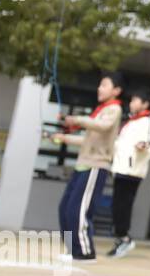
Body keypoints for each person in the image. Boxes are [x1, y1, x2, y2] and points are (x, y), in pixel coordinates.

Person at [51, 72, 125, 262]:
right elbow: (87, 139)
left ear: (116, 91)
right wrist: (64, 137)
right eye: (100, 85)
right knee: (65, 208)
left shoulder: (114, 109)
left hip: (95, 166)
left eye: (104, 85)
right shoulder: (100, 110)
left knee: (79, 210)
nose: (99, 88)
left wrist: (76, 119)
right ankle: (74, 249)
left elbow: (101, 126)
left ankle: (85, 252)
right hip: (83, 165)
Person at [106, 88, 150, 258]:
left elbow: (149, 142)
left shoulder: (148, 122)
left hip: (132, 171)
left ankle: (125, 238)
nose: (131, 103)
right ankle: (120, 238)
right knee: (117, 206)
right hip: (120, 169)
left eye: (135, 100)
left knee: (123, 206)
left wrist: (143, 146)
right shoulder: (131, 121)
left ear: (145, 104)